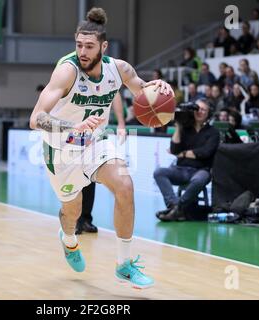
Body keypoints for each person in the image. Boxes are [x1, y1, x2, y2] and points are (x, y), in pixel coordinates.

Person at [29, 7, 173, 289]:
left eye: (89, 46)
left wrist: (160, 93)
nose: (82, 51)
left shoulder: (119, 70)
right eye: (79, 45)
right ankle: (69, 241)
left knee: (125, 185)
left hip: (95, 142)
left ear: (103, 47)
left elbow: (144, 92)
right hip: (62, 149)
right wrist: (72, 128)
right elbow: (36, 119)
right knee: (72, 212)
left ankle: (124, 264)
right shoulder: (66, 72)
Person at [154, 99, 219, 222]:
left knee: (199, 180)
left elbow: (205, 153)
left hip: (201, 170)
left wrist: (183, 153)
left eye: (203, 109)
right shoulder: (185, 129)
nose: (199, 112)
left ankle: (178, 208)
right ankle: (174, 207)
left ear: (208, 113)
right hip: (180, 169)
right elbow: (174, 149)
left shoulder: (213, 132)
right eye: (197, 109)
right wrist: (178, 126)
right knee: (159, 172)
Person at [76, 92, 127, 235]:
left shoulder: (108, 74)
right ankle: (75, 219)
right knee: (76, 174)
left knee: (90, 176)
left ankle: (86, 219)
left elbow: (116, 93)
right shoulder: (74, 72)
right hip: (76, 130)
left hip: (98, 132)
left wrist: (121, 123)